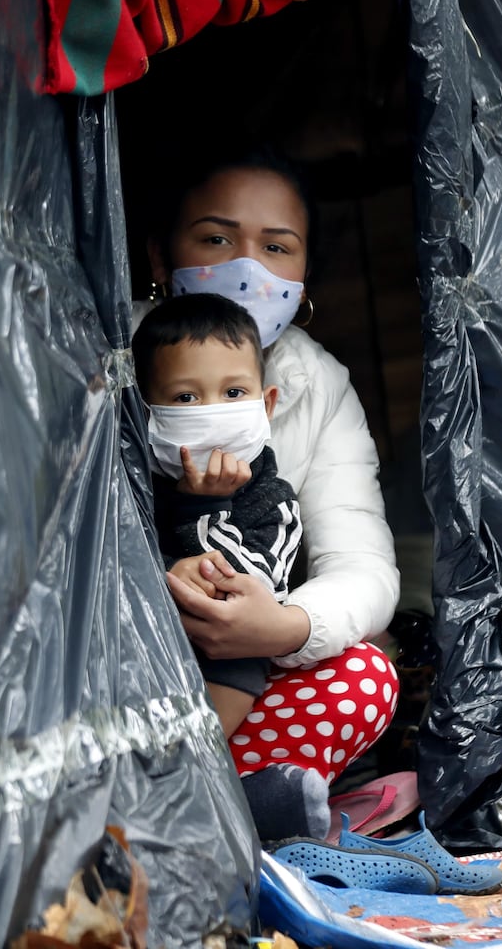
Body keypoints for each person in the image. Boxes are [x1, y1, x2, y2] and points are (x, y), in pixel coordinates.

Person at [138, 146, 402, 839]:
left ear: (305, 275)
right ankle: (231, 810)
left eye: (276, 247)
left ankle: (201, 806)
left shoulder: (319, 386)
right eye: (217, 238)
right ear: (161, 258)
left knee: (366, 677)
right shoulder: (107, 353)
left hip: (241, 661)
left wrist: (282, 628)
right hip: (126, 657)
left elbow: (365, 568)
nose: (247, 267)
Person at [133, 293, 302, 738]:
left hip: (224, 661)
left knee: (239, 663)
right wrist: (169, 573)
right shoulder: (127, 480)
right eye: (186, 397)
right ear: (147, 412)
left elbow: (254, 589)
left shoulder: (273, 500)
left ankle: (207, 769)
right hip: (139, 657)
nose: (212, 412)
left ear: (266, 405)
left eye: (233, 393)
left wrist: (204, 508)